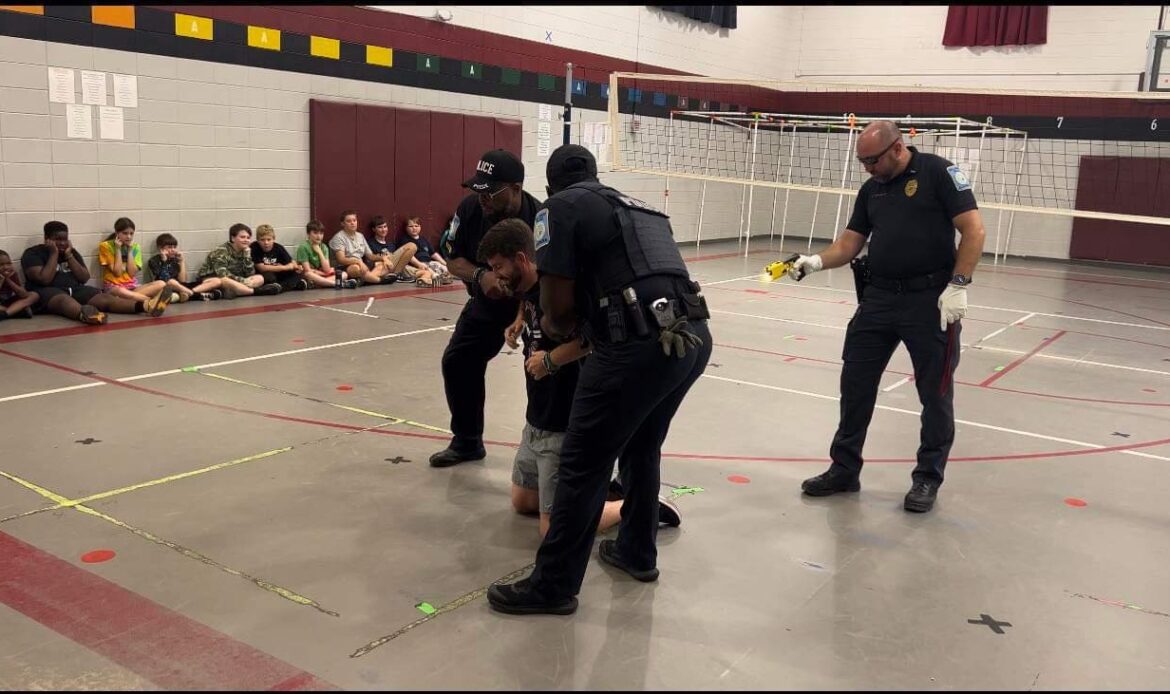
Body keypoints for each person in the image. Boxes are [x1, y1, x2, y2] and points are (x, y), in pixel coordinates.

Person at [487, 144, 712, 616]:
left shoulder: (557, 209)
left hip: (633, 345)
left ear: (550, 186)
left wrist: (555, 338)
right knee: (642, 446)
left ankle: (553, 586)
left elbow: (557, 311)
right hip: (691, 337)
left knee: (582, 462)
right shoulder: (641, 209)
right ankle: (636, 552)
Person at [788, 120, 986, 514]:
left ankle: (927, 477)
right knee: (855, 385)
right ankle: (844, 469)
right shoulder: (872, 189)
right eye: (862, 162)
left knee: (935, 394)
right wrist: (814, 262)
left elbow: (974, 230)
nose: (868, 169)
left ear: (897, 148)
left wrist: (959, 284)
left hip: (930, 301)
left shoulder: (939, 173)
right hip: (878, 299)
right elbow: (850, 243)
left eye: (872, 161)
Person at [478, 219, 682, 539]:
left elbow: (593, 338)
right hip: (537, 420)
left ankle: (638, 505)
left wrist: (550, 360)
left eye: (498, 266)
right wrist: (519, 321)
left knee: (552, 528)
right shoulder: (526, 288)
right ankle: (599, 497)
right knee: (522, 500)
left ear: (521, 259)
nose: (496, 274)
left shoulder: (559, 292)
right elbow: (527, 301)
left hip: (563, 421)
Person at [428, 149, 542, 468]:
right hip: (487, 301)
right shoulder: (470, 209)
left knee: (540, 371)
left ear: (516, 188)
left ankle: (542, 449)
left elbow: (548, 278)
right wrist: (482, 276)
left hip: (532, 303)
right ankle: (467, 442)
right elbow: (453, 260)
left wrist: (522, 314)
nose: (483, 199)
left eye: (490, 192)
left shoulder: (541, 218)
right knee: (458, 361)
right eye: (478, 190)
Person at [21, 221, 170, 325]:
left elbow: (84, 277)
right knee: (64, 300)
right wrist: (53, 254)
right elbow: (44, 279)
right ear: (47, 239)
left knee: (105, 298)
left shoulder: (70, 252)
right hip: (47, 292)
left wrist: (69, 256)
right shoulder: (33, 253)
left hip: (75, 289)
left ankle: (147, 306)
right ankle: (86, 315)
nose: (61, 243)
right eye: (57, 239)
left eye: (64, 239)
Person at [196, 223, 280, 298]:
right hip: (212, 279)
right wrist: (243, 281)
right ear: (233, 238)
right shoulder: (222, 251)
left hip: (235, 280)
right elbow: (222, 274)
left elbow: (250, 274)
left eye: (248, 238)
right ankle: (255, 292)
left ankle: (232, 291)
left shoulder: (245, 251)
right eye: (242, 237)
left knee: (259, 278)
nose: (246, 240)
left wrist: (247, 257)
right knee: (224, 280)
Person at [98, 217, 171, 303]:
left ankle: (132, 299)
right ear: (117, 233)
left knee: (161, 284)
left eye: (131, 233)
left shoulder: (135, 247)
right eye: (125, 233)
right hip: (114, 287)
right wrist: (117, 249)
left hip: (132, 287)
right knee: (121, 291)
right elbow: (117, 273)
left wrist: (130, 250)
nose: (129, 237)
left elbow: (132, 273)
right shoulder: (106, 246)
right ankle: (151, 302)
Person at [144, 233, 225, 301]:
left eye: (174, 247)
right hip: (167, 289)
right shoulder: (153, 261)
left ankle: (190, 293)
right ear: (160, 248)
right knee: (171, 282)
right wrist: (164, 262)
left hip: (181, 288)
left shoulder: (174, 260)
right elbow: (165, 279)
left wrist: (181, 262)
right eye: (169, 247)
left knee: (216, 281)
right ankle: (195, 295)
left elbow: (183, 280)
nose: (173, 250)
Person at [328, 211, 396, 286]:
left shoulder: (360, 236)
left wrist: (384, 258)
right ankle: (379, 280)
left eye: (354, 220)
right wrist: (359, 262)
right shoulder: (338, 238)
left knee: (384, 265)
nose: (352, 223)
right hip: (344, 267)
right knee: (356, 268)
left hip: (361, 266)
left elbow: (370, 256)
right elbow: (341, 259)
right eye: (349, 221)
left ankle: (366, 280)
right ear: (342, 224)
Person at [296, 220, 356, 289]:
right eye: (315, 233)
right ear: (308, 234)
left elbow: (327, 269)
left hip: (319, 276)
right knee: (308, 274)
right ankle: (338, 284)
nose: (319, 236)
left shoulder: (324, 247)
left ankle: (318, 284)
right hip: (311, 275)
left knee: (344, 274)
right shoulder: (303, 247)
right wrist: (323, 273)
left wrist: (319, 252)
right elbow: (307, 270)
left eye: (321, 233)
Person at [251, 224, 309, 292]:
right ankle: (293, 285)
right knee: (269, 276)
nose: (266, 242)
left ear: (273, 239)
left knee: (296, 273)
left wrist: (297, 267)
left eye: (269, 239)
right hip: (264, 275)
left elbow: (291, 262)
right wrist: (284, 267)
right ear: (258, 240)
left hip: (278, 274)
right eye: (262, 240)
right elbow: (262, 268)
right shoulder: (254, 247)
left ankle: (279, 287)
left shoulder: (279, 248)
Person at [365, 215, 420, 284]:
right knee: (411, 245)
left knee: (424, 272)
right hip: (381, 267)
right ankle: (395, 275)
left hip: (394, 266)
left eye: (385, 227)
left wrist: (419, 264)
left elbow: (399, 259)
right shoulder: (370, 243)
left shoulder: (391, 244)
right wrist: (384, 259)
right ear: (374, 229)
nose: (383, 230)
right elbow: (370, 259)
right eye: (380, 227)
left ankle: (396, 275)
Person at [403, 215, 452, 285]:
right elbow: (408, 256)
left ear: (420, 227)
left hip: (429, 262)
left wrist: (445, 263)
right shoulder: (404, 240)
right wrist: (419, 264)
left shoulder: (423, 239)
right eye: (411, 226)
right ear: (406, 228)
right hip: (417, 264)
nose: (414, 228)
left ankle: (444, 277)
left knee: (444, 268)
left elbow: (433, 254)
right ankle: (435, 277)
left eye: (416, 226)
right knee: (428, 270)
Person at [0, 250, 37, 320]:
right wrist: (1, 280)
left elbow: (24, 295)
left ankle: (6, 314)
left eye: (8, 263)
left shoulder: (12, 274)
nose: (6, 267)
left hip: (10, 302)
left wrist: (8, 279)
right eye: (1, 265)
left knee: (34, 295)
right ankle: (16, 311)